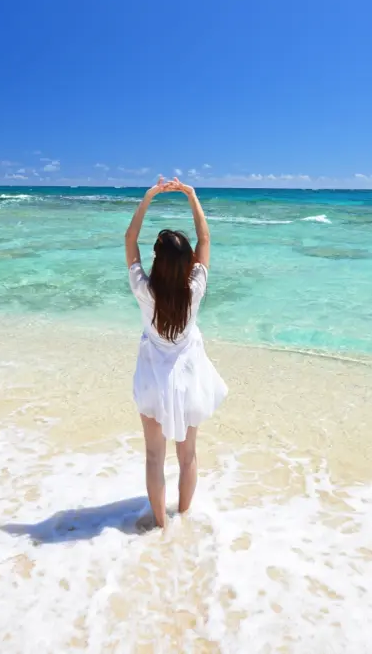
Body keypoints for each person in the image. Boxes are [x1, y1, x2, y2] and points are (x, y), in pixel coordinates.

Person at [124, 177, 228, 529]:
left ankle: (160, 527)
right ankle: (183, 518)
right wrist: (191, 195)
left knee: (155, 457)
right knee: (188, 456)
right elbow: (206, 239)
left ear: (158, 259)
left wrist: (150, 194)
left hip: (153, 382)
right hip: (188, 382)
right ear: (188, 262)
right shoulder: (194, 289)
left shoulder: (144, 290)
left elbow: (129, 240)